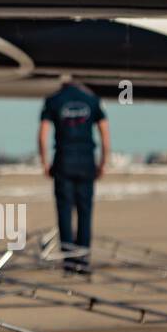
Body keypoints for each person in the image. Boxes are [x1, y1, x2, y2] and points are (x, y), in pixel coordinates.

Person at [39, 77, 110, 274]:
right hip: (86, 161)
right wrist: (103, 162)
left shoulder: (54, 100)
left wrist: (44, 162)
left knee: (64, 213)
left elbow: (42, 134)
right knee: (85, 212)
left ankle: (69, 260)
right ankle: (83, 259)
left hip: (64, 161)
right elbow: (105, 134)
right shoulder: (92, 99)